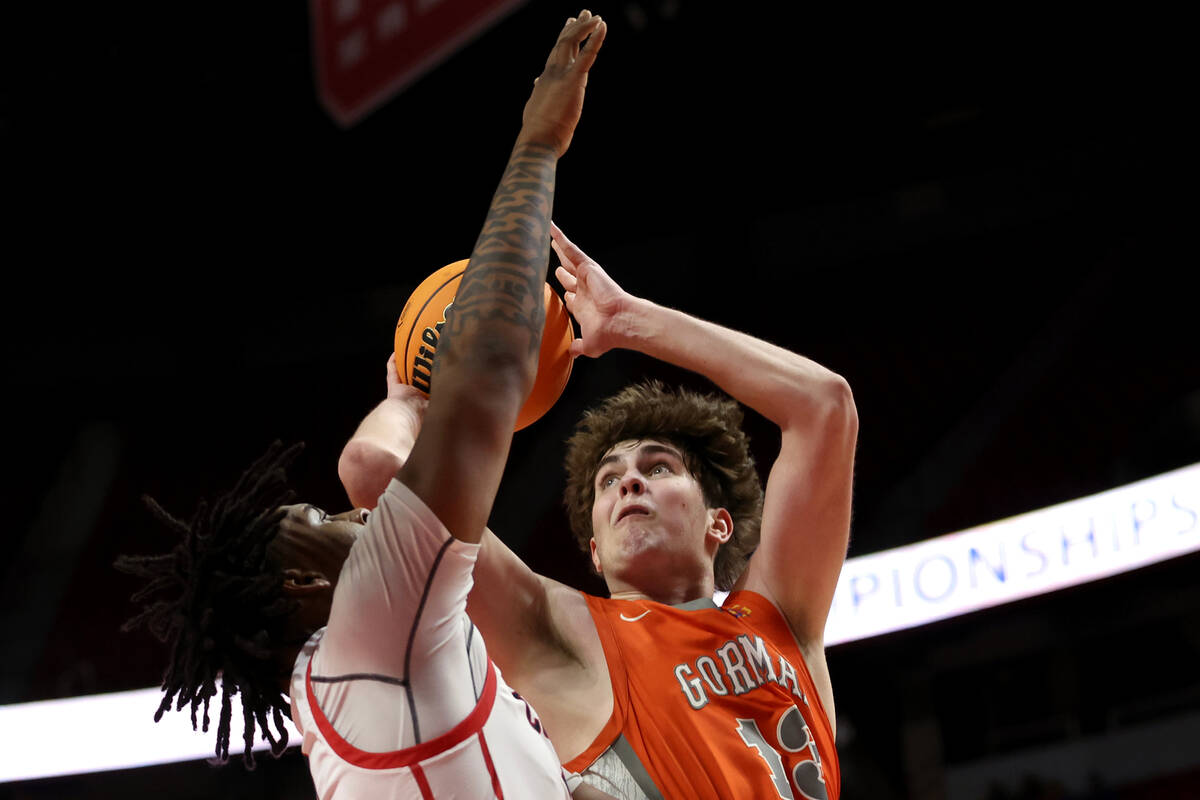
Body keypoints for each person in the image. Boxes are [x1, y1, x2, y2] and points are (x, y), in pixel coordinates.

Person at [117, 10, 616, 799]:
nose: (353, 516)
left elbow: (372, 467)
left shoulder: (340, 687)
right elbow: (484, 364)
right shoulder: (373, 631)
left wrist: (411, 400)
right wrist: (537, 147)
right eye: (325, 521)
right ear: (302, 588)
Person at [341, 222, 857, 799]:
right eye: (609, 481)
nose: (630, 482)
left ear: (719, 521)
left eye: (658, 468)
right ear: (594, 550)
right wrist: (411, 404)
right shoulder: (558, 634)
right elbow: (374, 472)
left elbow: (825, 407)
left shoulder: (782, 620)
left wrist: (631, 322)